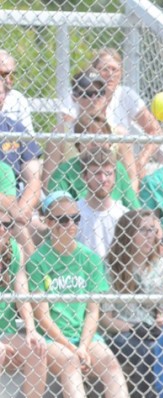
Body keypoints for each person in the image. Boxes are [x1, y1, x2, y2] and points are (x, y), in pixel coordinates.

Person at [27, 191, 146, 398]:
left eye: (75, 218)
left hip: (83, 336)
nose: (71, 226)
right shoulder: (38, 260)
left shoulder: (89, 258)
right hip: (52, 338)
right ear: (48, 222)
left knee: (110, 364)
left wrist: (83, 344)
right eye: (62, 220)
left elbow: (93, 310)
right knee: (70, 362)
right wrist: (73, 348)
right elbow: (42, 316)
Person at [100, 209, 163, 398]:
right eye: (144, 230)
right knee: (144, 352)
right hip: (120, 329)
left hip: (150, 328)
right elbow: (105, 318)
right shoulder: (110, 266)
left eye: (153, 230)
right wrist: (132, 327)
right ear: (128, 234)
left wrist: (161, 321)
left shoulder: (162, 267)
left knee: (161, 348)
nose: (151, 235)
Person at [58, 48, 163, 175]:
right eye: (104, 69)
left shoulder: (126, 94)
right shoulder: (78, 93)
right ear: (93, 72)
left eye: (114, 69)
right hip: (80, 158)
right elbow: (71, 131)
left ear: (121, 74)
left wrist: (140, 161)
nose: (110, 74)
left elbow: (155, 131)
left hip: (118, 160)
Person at [45, 71, 141, 209]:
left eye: (100, 92)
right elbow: (48, 179)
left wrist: (118, 204)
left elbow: (131, 177)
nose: (94, 98)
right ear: (74, 97)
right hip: (74, 199)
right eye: (87, 93)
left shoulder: (118, 133)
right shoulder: (61, 132)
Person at [0, 212, 48, 398]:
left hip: (5, 331)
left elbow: (22, 292)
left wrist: (31, 329)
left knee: (37, 351)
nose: (2, 229)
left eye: (7, 225)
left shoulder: (14, 249)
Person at [0, 76, 42, 258]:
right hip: (9, 208)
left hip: (17, 204)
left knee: (44, 226)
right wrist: (15, 213)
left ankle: (35, 275)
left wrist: (22, 211)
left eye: (1, 93)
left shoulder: (15, 128)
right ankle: (37, 277)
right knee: (15, 224)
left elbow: (33, 179)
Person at [75, 145, 129, 258]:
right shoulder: (73, 215)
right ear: (85, 177)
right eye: (97, 173)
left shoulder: (124, 215)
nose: (103, 179)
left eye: (108, 173)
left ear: (114, 176)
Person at [0, 50, 34, 132]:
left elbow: (28, 137)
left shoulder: (18, 99)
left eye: (12, 75)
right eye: (4, 74)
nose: (8, 80)